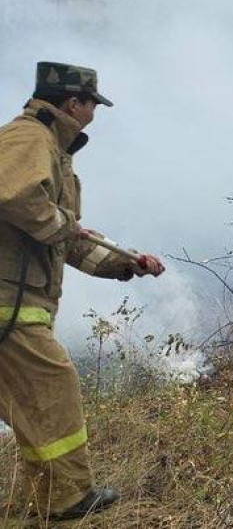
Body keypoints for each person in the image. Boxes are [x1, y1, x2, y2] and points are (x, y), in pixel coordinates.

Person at [0, 62, 166, 521]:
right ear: (73, 102)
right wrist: (61, 224)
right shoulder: (29, 138)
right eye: (93, 103)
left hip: (17, 303)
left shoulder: (54, 152)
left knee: (34, 406)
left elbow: (66, 240)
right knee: (53, 390)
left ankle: (48, 497)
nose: (95, 111)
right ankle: (67, 498)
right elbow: (16, 199)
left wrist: (124, 264)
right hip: (10, 305)